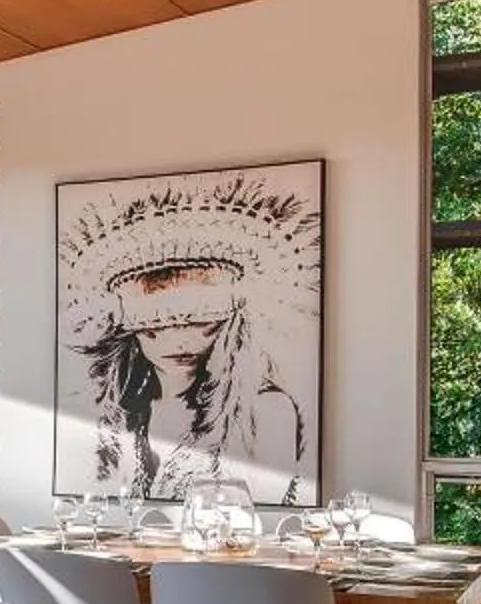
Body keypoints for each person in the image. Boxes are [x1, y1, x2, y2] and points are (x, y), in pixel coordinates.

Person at [62, 173, 319, 503]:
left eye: (200, 322)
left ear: (227, 321)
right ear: (131, 330)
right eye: (156, 327)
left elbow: (258, 516)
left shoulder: (264, 410)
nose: (179, 342)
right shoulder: (119, 415)